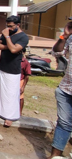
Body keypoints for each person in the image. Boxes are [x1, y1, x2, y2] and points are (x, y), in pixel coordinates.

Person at [0, 15, 29, 127]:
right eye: (7, 26)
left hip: (13, 69)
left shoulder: (23, 37)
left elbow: (14, 49)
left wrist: (7, 39)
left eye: (11, 26)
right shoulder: (7, 33)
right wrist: (9, 45)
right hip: (2, 66)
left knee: (11, 94)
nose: (9, 28)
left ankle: (10, 117)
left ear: (18, 25)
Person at [47, 21, 72, 159]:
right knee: (63, 123)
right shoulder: (70, 38)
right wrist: (64, 36)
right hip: (66, 88)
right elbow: (57, 52)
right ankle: (55, 156)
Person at [20, 47, 31, 116]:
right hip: (12, 80)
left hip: (20, 81)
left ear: (23, 53)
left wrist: (23, 86)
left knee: (20, 97)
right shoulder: (14, 60)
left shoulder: (25, 62)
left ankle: (20, 112)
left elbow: (27, 76)